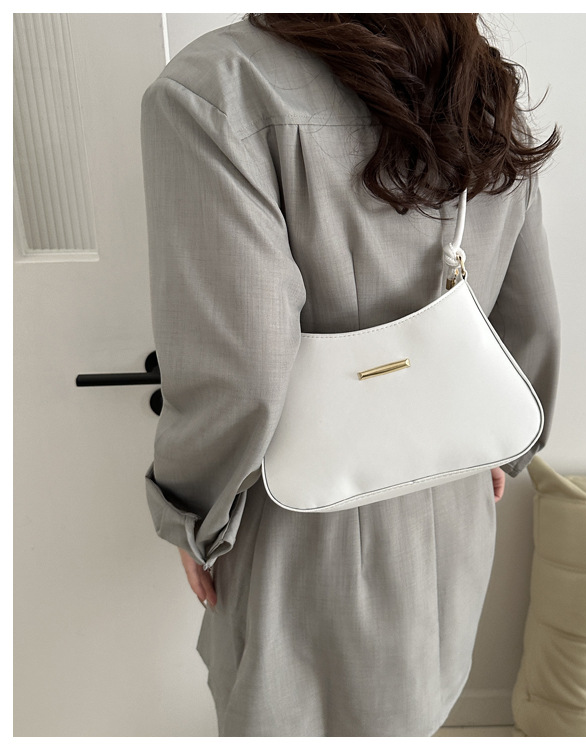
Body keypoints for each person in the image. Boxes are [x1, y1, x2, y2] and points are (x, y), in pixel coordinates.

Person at [140, 13, 561, 737]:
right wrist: (503, 447)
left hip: (301, 521)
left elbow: (241, 371)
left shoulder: (218, 90)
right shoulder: (480, 83)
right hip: (455, 494)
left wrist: (190, 514)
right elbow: (531, 316)